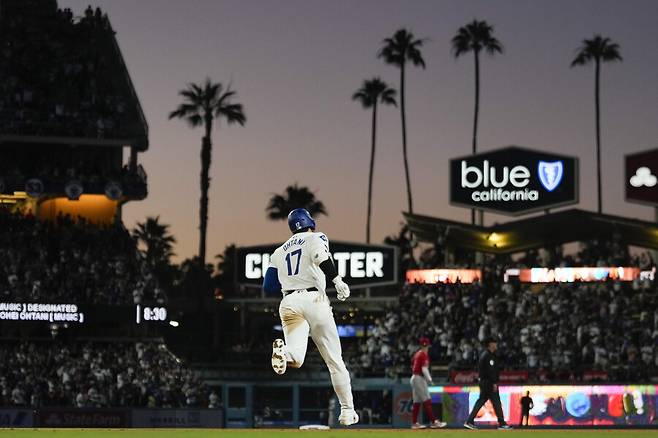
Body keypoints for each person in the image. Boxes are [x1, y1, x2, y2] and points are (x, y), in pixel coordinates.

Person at [263, 208, 358, 426]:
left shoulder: (278, 252)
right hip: (314, 300)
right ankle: (347, 411)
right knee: (335, 361)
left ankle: (283, 352)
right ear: (309, 222)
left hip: (288, 303)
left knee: (296, 358)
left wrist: (291, 282)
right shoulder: (316, 237)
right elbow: (321, 257)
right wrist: (337, 280)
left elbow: (268, 286)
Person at [464, 337, 512, 430]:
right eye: (494, 343)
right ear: (490, 344)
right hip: (488, 383)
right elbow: (491, 371)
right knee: (496, 402)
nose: (496, 344)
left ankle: (469, 421)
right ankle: (502, 423)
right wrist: (494, 383)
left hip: (485, 382)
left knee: (482, 401)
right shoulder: (488, 356)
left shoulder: (487, 355)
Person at [410, 337, 447, 429]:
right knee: (427, 400)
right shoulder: (423, 355)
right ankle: (434, 421)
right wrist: (430, 380)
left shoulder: (417, 354)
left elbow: (412, 365)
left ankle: (415, 423)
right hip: (419, 378)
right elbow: (424, 369)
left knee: (417, 401)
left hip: (414, 377)